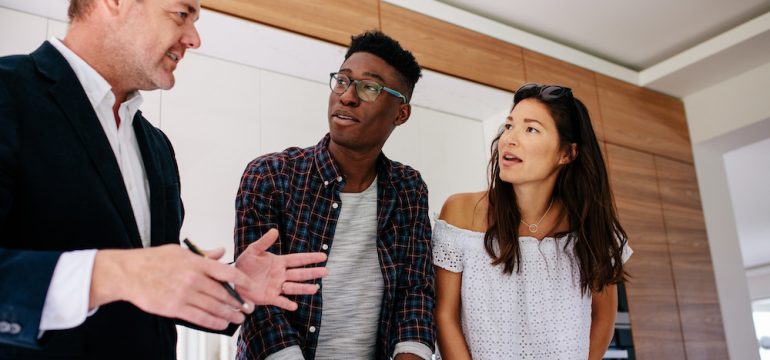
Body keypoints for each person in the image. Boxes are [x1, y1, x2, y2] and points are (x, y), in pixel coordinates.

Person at [0, 0, 327, 358]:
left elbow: (152, 292)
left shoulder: (156, 147)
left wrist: (231, 284)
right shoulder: (8, 92)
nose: (194, 39)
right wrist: (112, 274)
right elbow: (131, 277)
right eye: (182, 14)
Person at [234, 30, 434, 360]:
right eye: (342, 81)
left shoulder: (409, 189)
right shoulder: (270, 175)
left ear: (401, 113)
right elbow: (258, 303)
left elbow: (415, 292)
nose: (347, 96)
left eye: (369, 87)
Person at [433, 84, 632, 360]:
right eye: (509, 126)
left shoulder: (590, 228)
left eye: (531, 129)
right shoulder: (461, 213)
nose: (509, 139)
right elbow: (445, 315)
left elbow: (603, 318)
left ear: (567, 153)